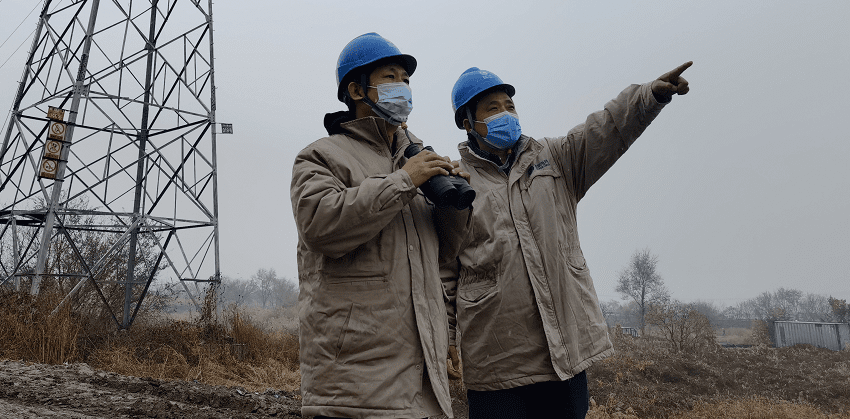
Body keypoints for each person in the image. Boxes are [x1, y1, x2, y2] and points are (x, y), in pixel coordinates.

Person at [441, 62, 693, 419]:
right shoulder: (456, 183)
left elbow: (606, 129)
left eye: (509, 106)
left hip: (564, 355)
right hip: (496, 360)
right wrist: (448, 337)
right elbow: (445, 271)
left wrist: (648, 96)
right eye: (492, 109)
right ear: (468, 123)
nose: (505, 114)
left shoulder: (554, 158)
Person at [291, 32, 473, 419]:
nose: (403, 88)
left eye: (406, 80)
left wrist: (452, 203)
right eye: (391, 78)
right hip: (353, 386)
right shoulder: (321, 157)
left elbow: (443, 257)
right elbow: (321, 225)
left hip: (421, 383)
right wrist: (403, 182)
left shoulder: (418, 158)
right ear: (356, 90)